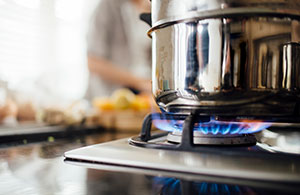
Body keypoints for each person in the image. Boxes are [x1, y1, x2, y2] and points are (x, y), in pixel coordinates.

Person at [85, 0, 152, 100]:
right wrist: (140, 83)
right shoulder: (107, 6)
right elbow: (93, 62)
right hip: (110, 96)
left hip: (145, 94)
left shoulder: (153, 6)